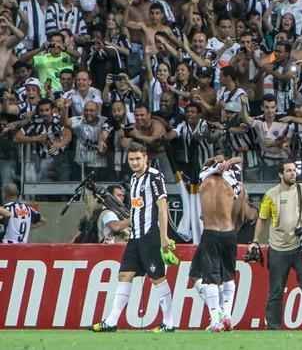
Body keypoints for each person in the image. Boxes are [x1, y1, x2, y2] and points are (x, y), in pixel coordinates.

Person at [92, 142, 176, 332]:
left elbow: (163, 207)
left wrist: (164, 237)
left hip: (150, 235)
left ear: (146, 158)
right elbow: (136, 209)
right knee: (124, 274)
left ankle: (169, 323)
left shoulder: (154, 177)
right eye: (131, 159)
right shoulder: (133, 179)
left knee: (157, 278)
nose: (135, 162)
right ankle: (111, 322)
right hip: (135, 236)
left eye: (138, 158)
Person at [251, 160, 302, 330]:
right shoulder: (271, 194)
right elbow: (262, 219)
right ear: (280, 174)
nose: (293, 173)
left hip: (300, 246)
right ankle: (273, 326)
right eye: (288, 171)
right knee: (276, 290)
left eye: (294, 170)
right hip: (278, 248)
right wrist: (255, 241)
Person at [192, 153, 245, 331]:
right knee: (228, 274)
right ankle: (227, 315)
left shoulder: (203, 177)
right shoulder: (232, 180)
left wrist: (218, 161)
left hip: (210, 232)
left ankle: (216, 319)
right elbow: (240, 161)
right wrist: (229, 163)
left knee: (210, 278)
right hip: (229, 232)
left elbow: (207, 165)